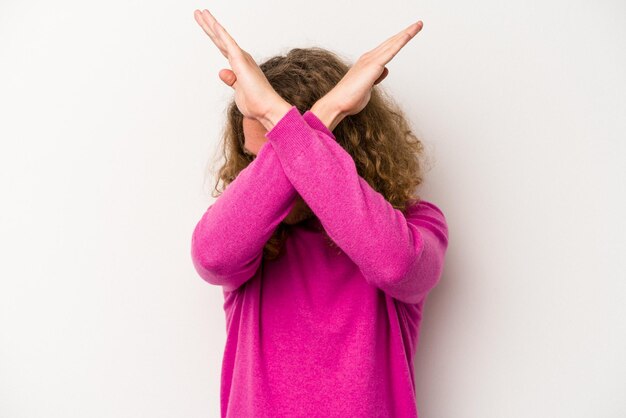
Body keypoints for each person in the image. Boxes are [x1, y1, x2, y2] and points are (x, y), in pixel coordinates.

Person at [190, 9, 449, 418]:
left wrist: (284, 123)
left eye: (285, 156)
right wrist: (322, 114)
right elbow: (212, 257)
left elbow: (395, 265)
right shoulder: (248, 235)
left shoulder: (415, 225)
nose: (266, 176)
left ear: (342, 150)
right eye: (258, 161)